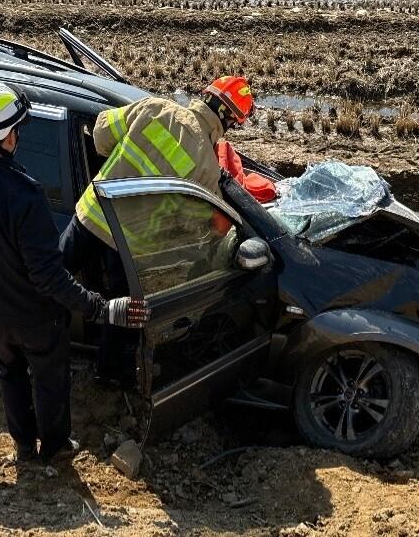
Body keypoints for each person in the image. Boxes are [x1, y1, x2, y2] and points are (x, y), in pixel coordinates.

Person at [0, 79, 151, 463]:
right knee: (49, 380)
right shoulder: (23, 193)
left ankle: (24, 446)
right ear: (6, 137)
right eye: (16, 128)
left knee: (9, 372)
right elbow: (49, 276)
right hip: (35, 317)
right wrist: (101, 307)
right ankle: (55, 446)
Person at [60, 76, 268, 379]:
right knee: (123, 314)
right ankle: (110, 374)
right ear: (228, 121)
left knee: (52, 280)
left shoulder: (154, 107)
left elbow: (101, 137)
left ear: (205, 95)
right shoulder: (207, 166)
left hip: (91, 215)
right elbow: (199, 225)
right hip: (129, 246)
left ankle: (33, 341)